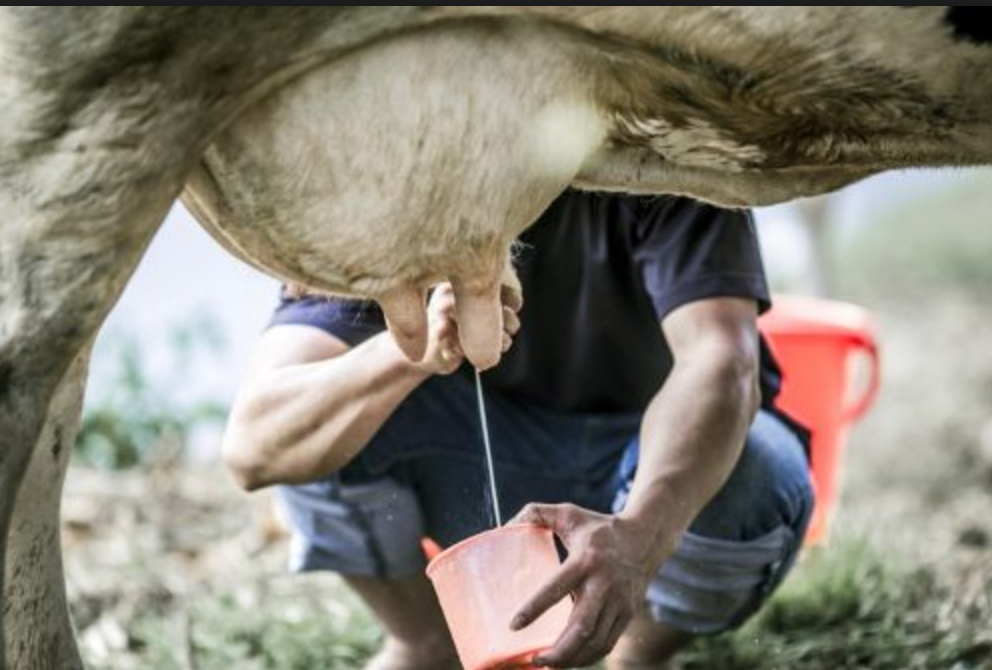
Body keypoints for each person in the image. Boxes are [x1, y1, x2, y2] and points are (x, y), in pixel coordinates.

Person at [222, 190, 814, 670]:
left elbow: (723, 362)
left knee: (757, 468)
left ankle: (634, 652)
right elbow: (255, 445)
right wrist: (410, 354)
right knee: (317, 430)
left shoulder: (668, 154)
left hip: (653, 476)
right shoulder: (387, 197)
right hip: (491, 484)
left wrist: (641, 538)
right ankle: (429, 645)